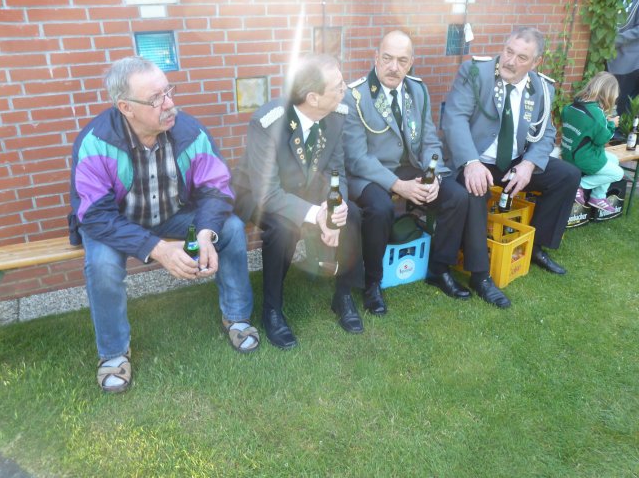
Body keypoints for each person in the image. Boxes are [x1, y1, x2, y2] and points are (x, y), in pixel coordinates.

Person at [69, 56, 258, 393]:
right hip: (117, 223)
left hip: (174, 215)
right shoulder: (95, 141)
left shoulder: (191, 131)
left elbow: (216, 188)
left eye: (169, 91)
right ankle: (114, 353)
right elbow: (95, 215)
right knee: (101, 263)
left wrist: (205, 232)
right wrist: (157, 249)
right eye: (155, 98)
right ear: (125, 107)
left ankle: (237, 316)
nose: (169, 104)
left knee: (229, 228)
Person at [343, 30, 512, 310]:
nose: (393, 67)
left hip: (411, 168)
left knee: (456, 196)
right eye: (387, 58)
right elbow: (357, 158)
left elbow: (430, 140)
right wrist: (399, 186)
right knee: (380, 207)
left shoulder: (417, 90)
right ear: (376, 58)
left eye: (402, 60)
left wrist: (434, 176)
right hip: (371, 174)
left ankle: (438, 269)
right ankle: (372, 282)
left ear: (411, 63)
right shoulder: (356, 96)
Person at [232, 54, 364, 350]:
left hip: (304, 188)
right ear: (313, 97)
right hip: (256, 192)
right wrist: (317, 215)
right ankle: (272, 310)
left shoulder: (336, 114)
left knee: (352, 214)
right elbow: (268, 193)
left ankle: (343, 296)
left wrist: (335, 207)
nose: (345, 89)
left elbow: (336, 170)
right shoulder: (268, 122)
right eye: (338, 86)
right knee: (283, 228)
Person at [442, 27, 581, 278]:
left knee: (567, 175)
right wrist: (471, 162)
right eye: (508, 51)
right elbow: (454, 119)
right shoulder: (475, 73)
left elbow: (546, 133)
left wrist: (528, 165)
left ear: (536, 63)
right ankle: (480, 274)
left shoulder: (541, 87)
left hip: (515, 162)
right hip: (476, 158)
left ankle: (535, 246)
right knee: (476, 189)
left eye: (521, 57)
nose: (510, 61)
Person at [561, 71, 625, 213]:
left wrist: (602, 123)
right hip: (582, 158)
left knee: (614, 160)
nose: (615, 99)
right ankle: (578, 185)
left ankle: (598, 196)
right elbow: (602, 140)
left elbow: (582, 128)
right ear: (607, 93)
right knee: (618, 173)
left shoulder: (573, 105)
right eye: (614, 96)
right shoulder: (596, 113)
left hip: (569, 152)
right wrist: (612, 124)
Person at [607, 0, 639, 116]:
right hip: (611, 57)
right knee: (608, 98)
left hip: (630, 62)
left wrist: (618, 39)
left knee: (620, 102)